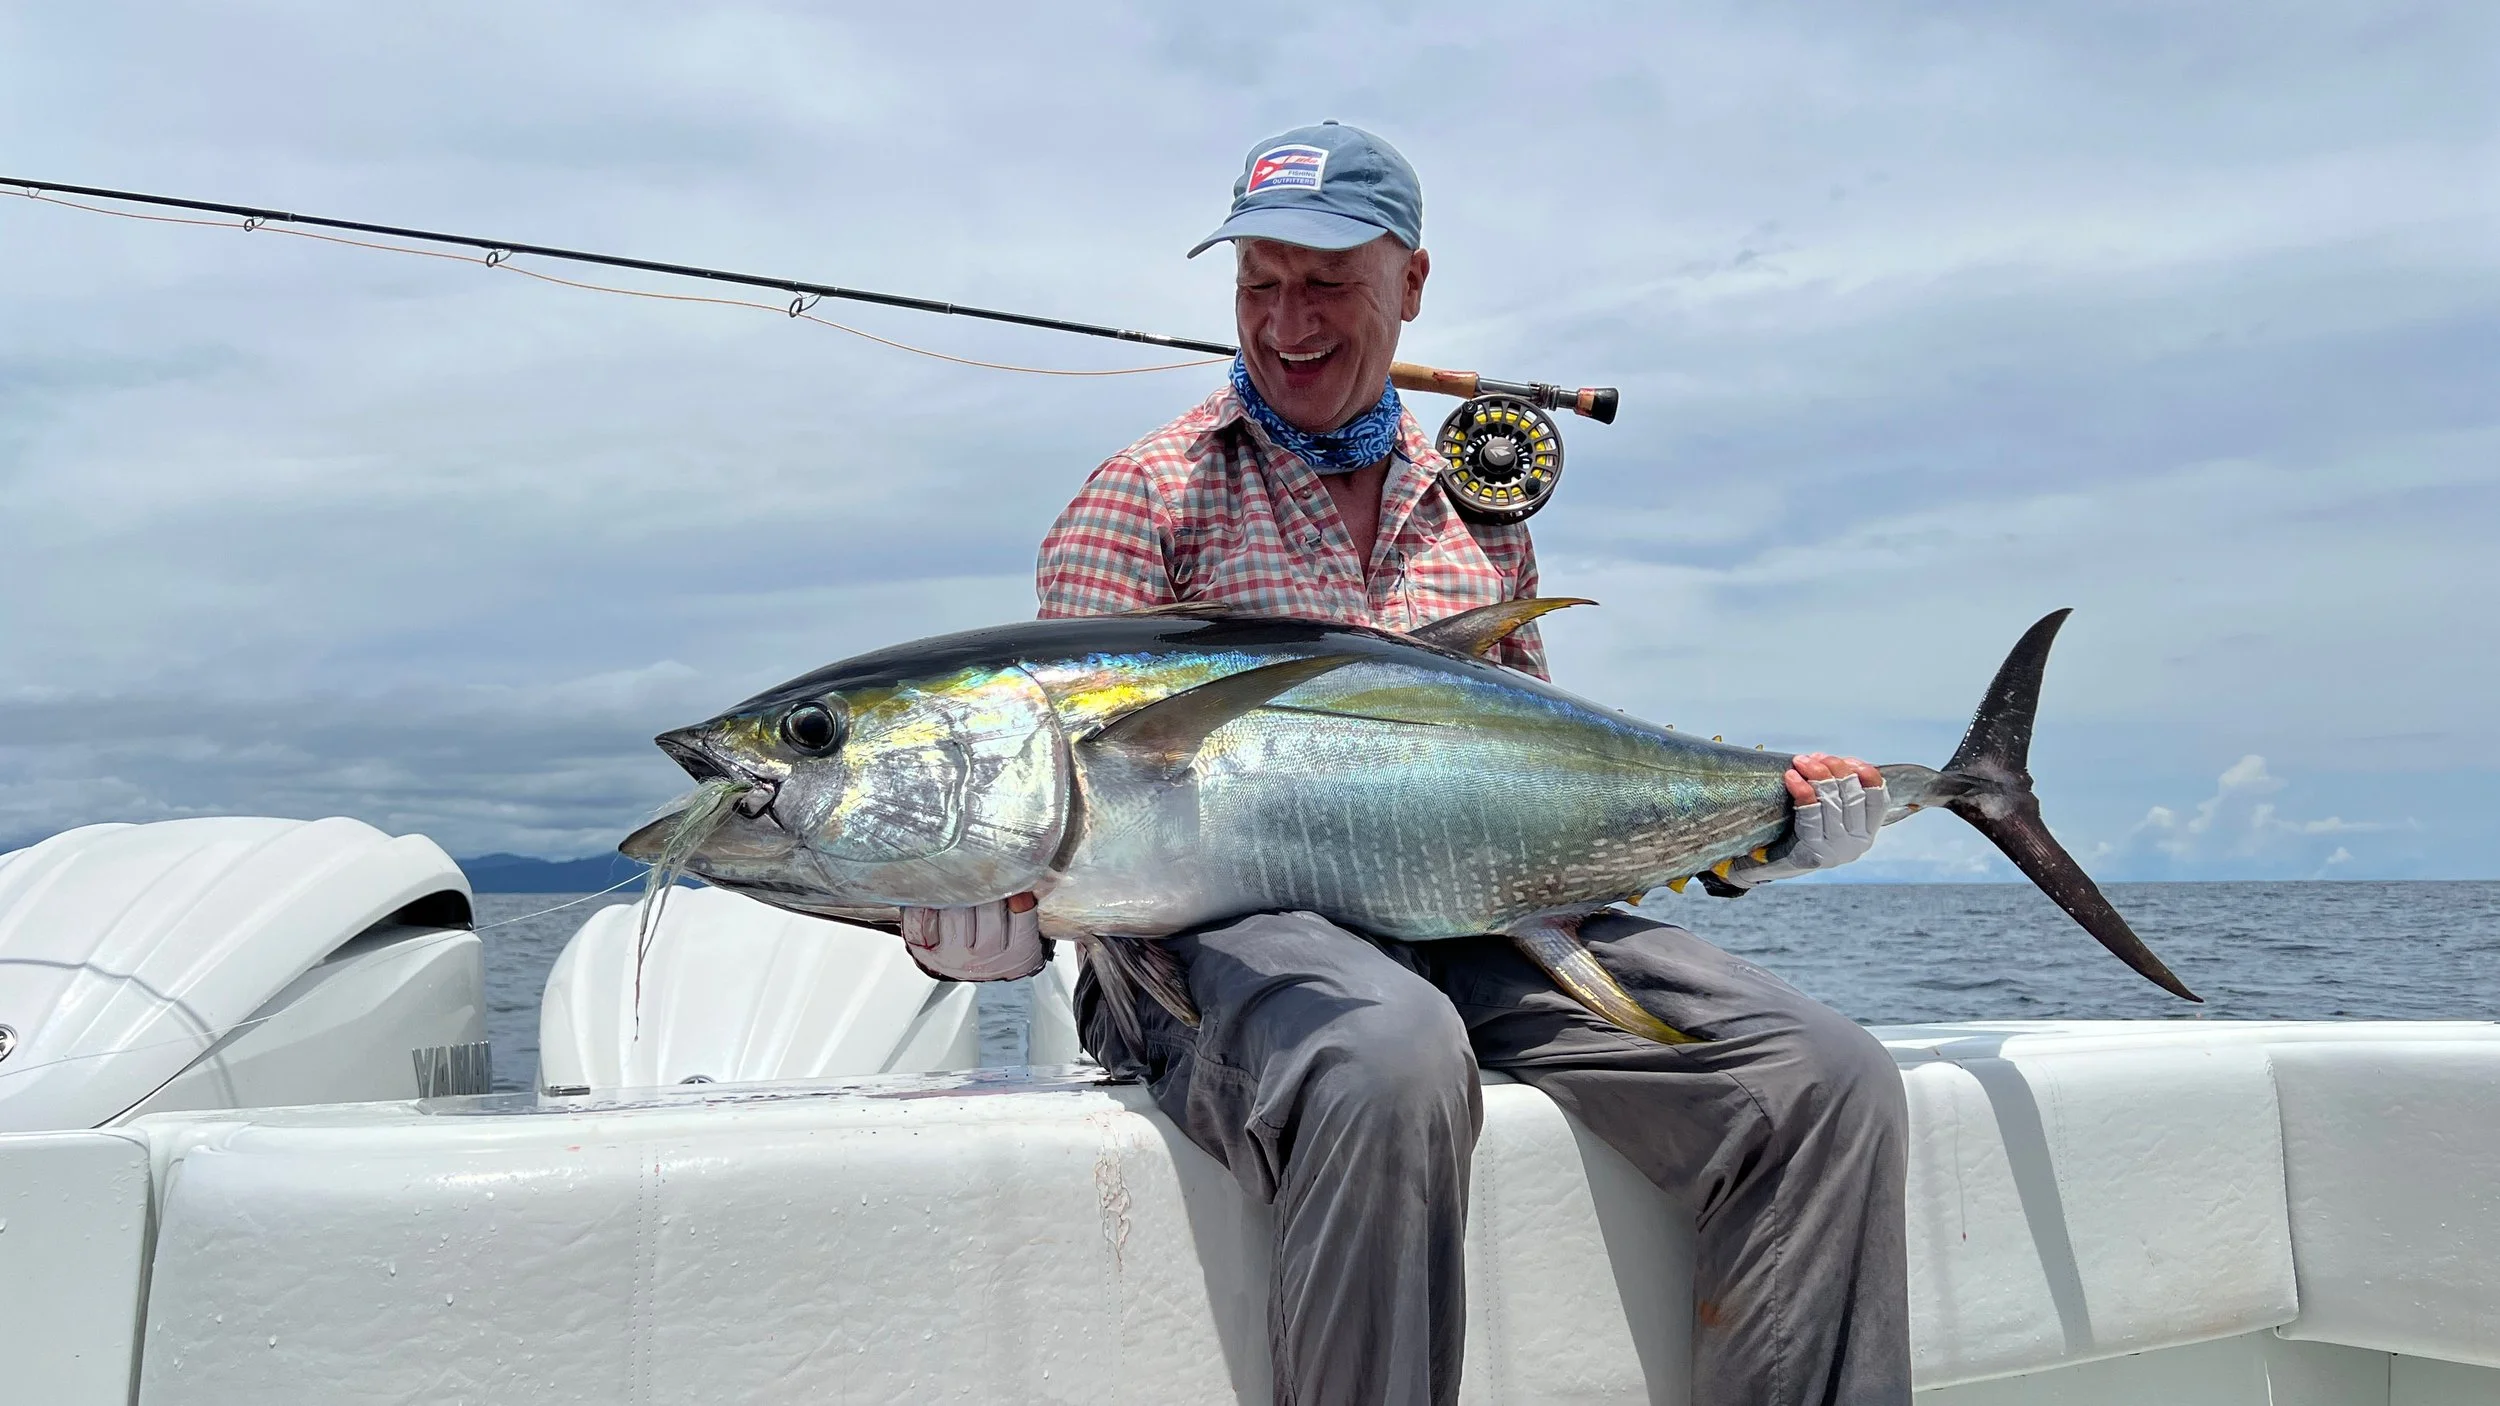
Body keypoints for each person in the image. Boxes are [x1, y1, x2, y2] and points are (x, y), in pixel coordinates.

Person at [904, 122, 1910, 1406]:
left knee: (1822, 1078)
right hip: (1212, 946)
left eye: (1327, 282)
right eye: (1258, 284)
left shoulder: (1474, 515)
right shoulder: (1144, 495)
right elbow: (1035, 799)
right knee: (1386, 1048)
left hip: (1478, 919)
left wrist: (1757, 834)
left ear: (1412, 286)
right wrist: (966, 932)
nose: (1288, 320)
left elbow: (1540, 778)